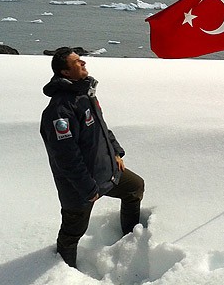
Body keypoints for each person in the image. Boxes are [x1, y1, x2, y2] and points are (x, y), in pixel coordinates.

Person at [40, 47, 145, 268]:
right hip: (80, 188)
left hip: (106, 171)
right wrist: (88, 188)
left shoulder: (84, 95)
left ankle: (129, 239)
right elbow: (66, 157)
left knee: (134, 187)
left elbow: (101, 128)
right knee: (72, 233)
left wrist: (116, 152)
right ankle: (63, 273)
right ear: (65, 73)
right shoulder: (60, 109)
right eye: (78, 62)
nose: (84, 64)